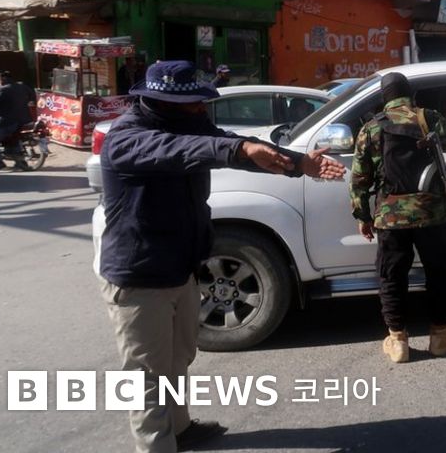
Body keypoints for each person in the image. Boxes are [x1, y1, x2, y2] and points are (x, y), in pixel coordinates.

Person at [97, 60, 346, 453]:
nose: (202, 108)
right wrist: (237, 148)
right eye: (194, 103)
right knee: (147, 374)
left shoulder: (188, 124)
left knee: (177, 359)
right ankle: (156, 446)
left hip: (181, 268)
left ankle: (179, 429)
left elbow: (233, 145)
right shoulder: (127, 138)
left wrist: (299, 163)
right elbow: (184, 150)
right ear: (163, 102)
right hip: (139, 278)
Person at [350, 72, 446, 364]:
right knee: (438, 274)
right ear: (411, 95)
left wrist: (363, 216)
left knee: (392, 277)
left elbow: (360, 179)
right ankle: (441, 336)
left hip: (390, 217)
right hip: (431, 213)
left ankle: (398, 341)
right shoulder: (429, 117)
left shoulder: (371, 128)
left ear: (384, 98)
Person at [0, 71, 37, 172]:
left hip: (5, 121)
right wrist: (28, 102)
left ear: (1, 79)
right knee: (13, 140)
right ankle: (20, 162)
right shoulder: (21, 86)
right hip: (22, 120)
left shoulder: (3, 89)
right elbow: (32, 95)